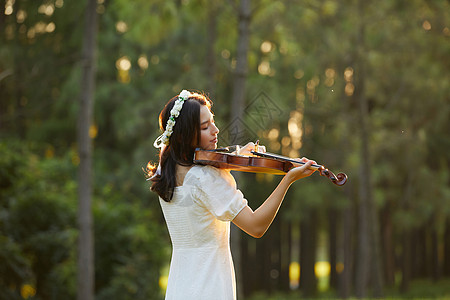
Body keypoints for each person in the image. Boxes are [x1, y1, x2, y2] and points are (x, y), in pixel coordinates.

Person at [146, 90, 316, 300]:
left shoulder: (166, 172)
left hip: (180, 286)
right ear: (185, 134)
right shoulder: (206, 178)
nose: (216, 130)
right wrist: (288, 179)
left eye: (213, 122)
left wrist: (233, 158)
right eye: (205, 127)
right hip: (210, 286)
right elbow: (256, 226)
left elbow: (202, 188)